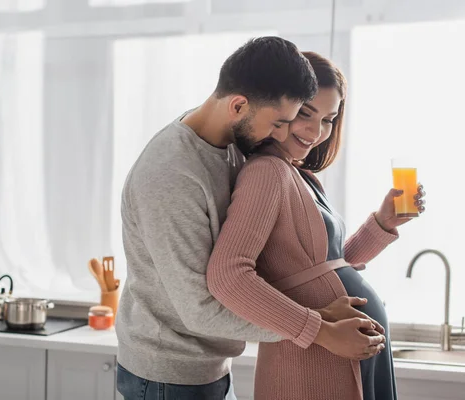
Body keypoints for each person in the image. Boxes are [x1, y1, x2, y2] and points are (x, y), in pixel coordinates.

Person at [116, 38, 386, 400]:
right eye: (280, 123)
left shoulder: (233, 148)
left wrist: (383, 226)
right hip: (169, 375)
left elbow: (307, 266)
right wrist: (319, 327)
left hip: (210, 368)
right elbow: (202, 307)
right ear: (239, 105)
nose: (284, 135)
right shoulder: (171, 173)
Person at [207, 51, 426, 400]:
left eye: (328, 119)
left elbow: (325, 267)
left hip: (338, 352)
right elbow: (227, 274)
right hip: (312, 360)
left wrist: (382, 223)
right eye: (305, 114)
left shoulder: (300, 175)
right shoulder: (267, 172)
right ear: (282, 109)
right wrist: (318, 330)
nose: (316, 131)